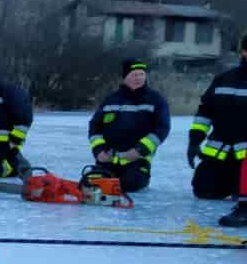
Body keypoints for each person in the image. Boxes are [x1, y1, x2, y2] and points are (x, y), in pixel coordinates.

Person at [86, 59, 171, 193]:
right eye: (134, 75)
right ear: (125, 77)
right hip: (108, 160)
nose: (138, 78)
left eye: (141, 74)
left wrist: (139, 151)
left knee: (128, 185)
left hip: (137, 160)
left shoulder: (156, 99)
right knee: (93, 185)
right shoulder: (111, 99)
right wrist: (98, 151)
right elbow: (94, 127)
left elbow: (162, 128)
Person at [189, 34, 247, 216]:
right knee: (203, 190)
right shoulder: (223, 79)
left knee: (242, 194)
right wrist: (194, 141)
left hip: (246, 159)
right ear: (244, 52)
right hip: (220, 153)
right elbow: (205, 111)